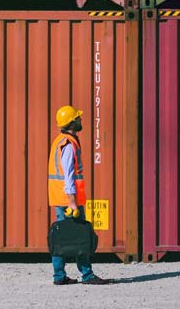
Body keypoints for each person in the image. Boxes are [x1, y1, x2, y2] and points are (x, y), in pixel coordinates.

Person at [48, 105, 113, 285]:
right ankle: (87, 275)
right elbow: (68, 174)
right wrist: (72, 202)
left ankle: (59, 276)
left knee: (61, 238)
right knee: (79, 236)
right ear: (71, 122)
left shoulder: (60, 140)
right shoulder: (68, 144)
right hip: (68, 200)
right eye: (78, 118)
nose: (80, 120)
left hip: (59, 197)